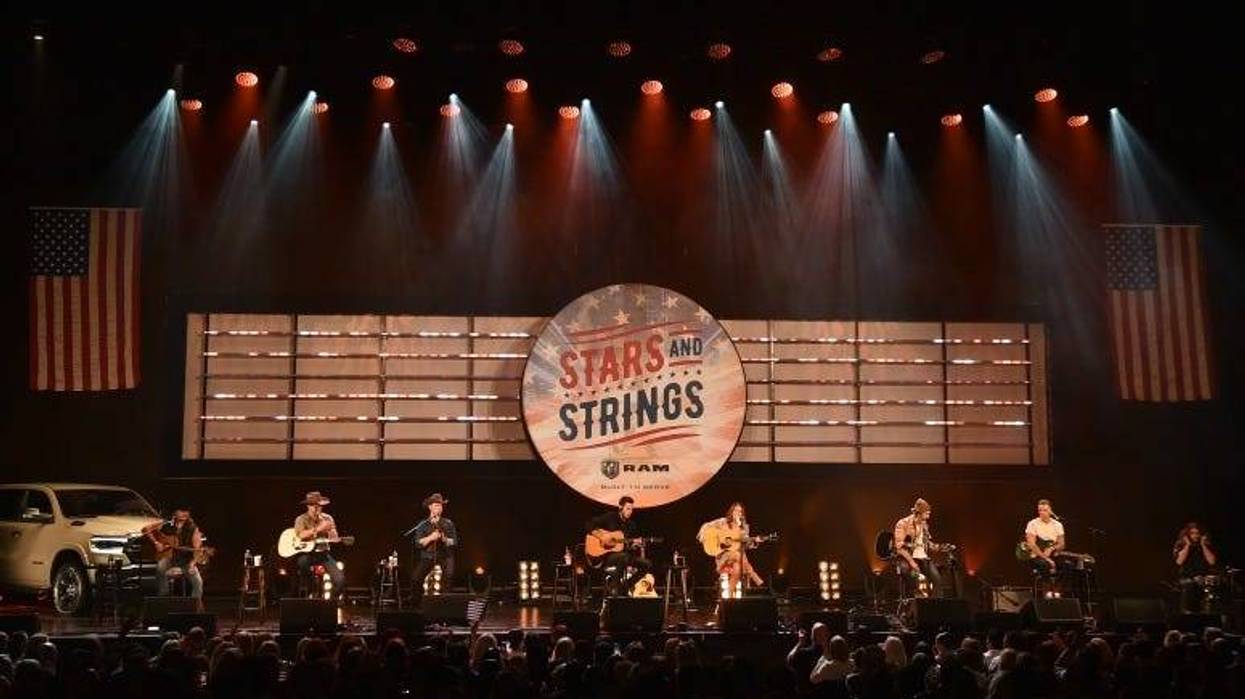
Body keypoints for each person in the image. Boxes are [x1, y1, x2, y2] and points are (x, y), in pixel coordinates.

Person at [585, 496, 652, 595]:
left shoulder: (631, 525)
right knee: (624, 557)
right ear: (620, 507)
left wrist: (633, 545)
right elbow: (589, 524)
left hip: (623, 556)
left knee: (647, 564)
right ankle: (614, 587)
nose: (630, 512)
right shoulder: (610, 517)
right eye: (628, 509)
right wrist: (601, 536)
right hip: (606, 556)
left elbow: (626, 546)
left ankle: (625, 586)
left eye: (632, 509)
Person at [696, 502, 765, 596]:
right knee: (737, 554)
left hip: (738, 558)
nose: (737, 513)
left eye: (740, 511)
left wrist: (755, 540)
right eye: (735, 510)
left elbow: (746, 543)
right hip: (722, 555)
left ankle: (729, 597)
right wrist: (705, 536)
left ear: (742, 514)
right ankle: (754, 576)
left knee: (737, 568)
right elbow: (707, 526)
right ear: (731, 511)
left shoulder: (744, 527)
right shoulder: (722, 521)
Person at [145, 507, 205, 605]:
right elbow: (146, 529)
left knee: (198, 582)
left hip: (186, 561)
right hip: (170, 558)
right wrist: (156, 543)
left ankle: (195, 605)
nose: (184, 513)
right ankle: (163, 598)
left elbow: (197, 550)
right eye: (181, 511)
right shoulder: (166, 524)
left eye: (186, 511)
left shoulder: (193, 528)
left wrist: (192, 564)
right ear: (175, 512)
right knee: (160, 567)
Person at [293, 491, 345, 597]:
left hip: (323, 554)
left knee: (340, 580)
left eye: (319, 505)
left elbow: (334, 537)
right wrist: (318, 529)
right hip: (308, 554)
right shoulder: (301, 519)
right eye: (314, 505)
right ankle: (313, 587)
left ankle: (331, 601)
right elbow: (301, 535)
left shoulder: (327, 518)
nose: (317, 508)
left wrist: (331, 531)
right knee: (302, 562)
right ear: (308, 506)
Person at [409, 493, 458, 605]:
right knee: (416, 578)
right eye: (436, 505)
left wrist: (444, 539)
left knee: (448, 577)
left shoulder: (448, 523)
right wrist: (430, 537)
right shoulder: (423, 524)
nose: (439, 508)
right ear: (430, 507)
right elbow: (418, 543)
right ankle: (417, 604)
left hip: (445, 555)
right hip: (428, 555)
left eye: (441, 506)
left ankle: (445, 605)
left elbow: (454, 542)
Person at [893, 498, 944, 597]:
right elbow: (899, 547)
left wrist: (939, 547)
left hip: (922, 557)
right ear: (919, 513)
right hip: (908, 557)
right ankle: (915, 599)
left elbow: (927, 542)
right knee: (908, 572)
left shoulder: (924, 524)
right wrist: (912, 562)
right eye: (926, 513)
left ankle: (936, 603)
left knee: (937, 579)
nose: (928, 516)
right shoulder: (903, 523)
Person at [1174, 521, 1218, 612]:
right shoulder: (1180, 545)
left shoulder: (1207, 545)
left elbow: (1212, 562)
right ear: (1187, 535)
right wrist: (1187, 545)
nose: (1195, 536)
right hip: (1186, 577)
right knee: (1189, 585)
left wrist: (1203, 545)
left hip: (1203, 577)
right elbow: (1179, 562)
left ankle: (1208, 611)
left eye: (1197, 533)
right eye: (1192, 533)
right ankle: (1186, 612)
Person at [1024, 499, 1066, 574]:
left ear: (1050, 511)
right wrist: (1047, 559)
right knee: (1045, 566)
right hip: (1038, 555)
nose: (1042, 512)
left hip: (1053, 554)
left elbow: (1062, 544)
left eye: (1045, 510)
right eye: (1040, 510)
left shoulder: (1058, 525)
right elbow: (1032, 545)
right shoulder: (1032, 524)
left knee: (1068, 566)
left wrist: (1051, 548)